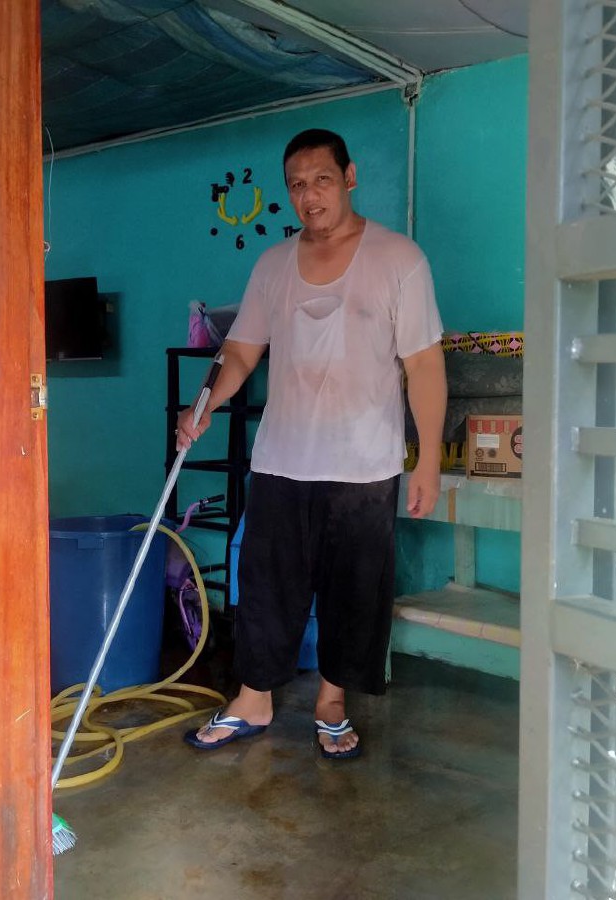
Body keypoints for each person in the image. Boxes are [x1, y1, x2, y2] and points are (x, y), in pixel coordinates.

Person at [176, 128, 446, 759]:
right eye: (297, 184)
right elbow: (241, 350)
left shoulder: (398, 259)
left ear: (349, 177)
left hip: (364, 464)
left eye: (321, 179)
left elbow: (425, 365)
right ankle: (254, 700)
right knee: (267, 585)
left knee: (354, 591)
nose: (309, 195)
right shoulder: (272, 266)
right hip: (281, 459)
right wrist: (201, 406)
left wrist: (427, 457)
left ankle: (331, 703)